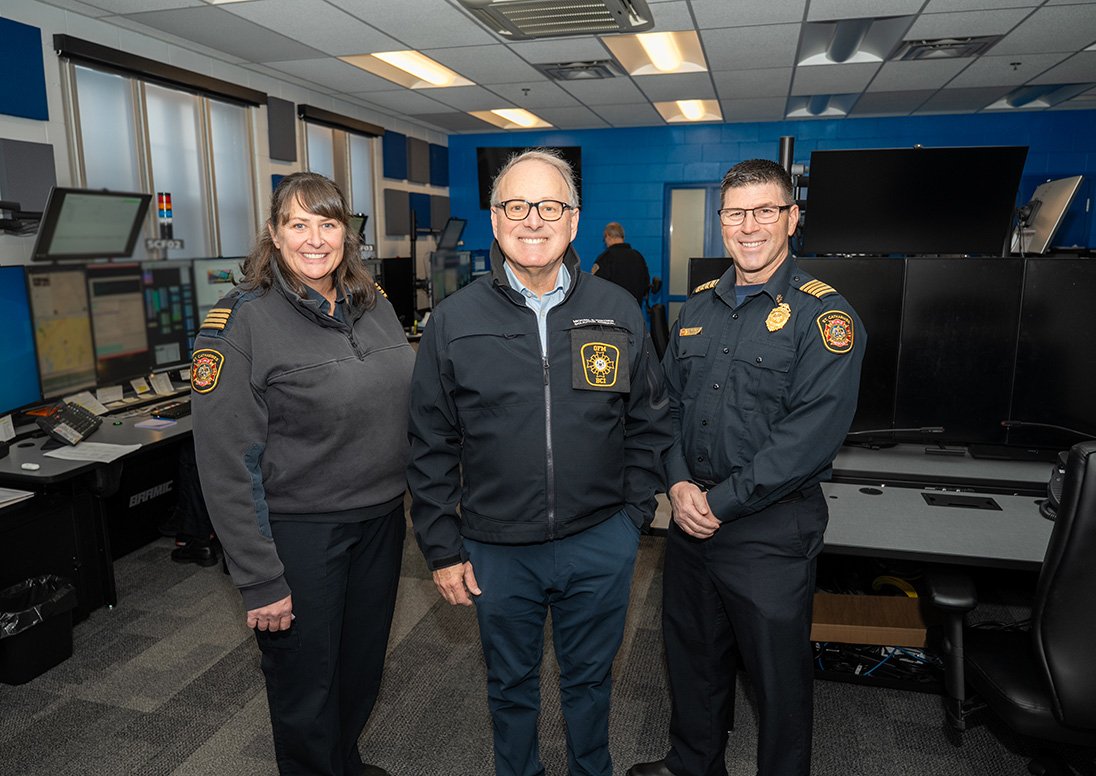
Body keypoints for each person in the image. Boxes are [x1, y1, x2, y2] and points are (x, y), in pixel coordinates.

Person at [407, 149, 671, 776]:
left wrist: (629, 517)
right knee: (511, 688)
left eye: (549, 206)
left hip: (598, 540)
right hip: (497, 547)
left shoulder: (618, 309)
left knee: (590, 684)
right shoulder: (453, 320)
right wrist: (442, 548)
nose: (533, 220)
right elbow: (429, 442)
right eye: (516, 207)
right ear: (496, 221)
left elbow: (652, 418)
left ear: (574, 221)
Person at [628, 159, 865, 776]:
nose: (749, 225)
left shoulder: (825, 317)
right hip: (689, 520)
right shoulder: (698, 308)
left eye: (765, 210)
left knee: (777, 680)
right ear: (722, 222)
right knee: (692, 655)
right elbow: (669, 406)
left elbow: (808, 437)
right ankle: (694, 762)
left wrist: (722, 502)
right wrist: (678, 484)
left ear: (792, 218)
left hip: (768, 530)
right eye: (736, 212)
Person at [191, 172, 414, 776]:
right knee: (305, 682)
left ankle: (344, 761)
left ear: (348, 233)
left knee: (360, 665)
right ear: (274, 233)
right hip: (301, 534)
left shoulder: (374, 306)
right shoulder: (243, 321)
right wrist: (260, 577)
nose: (315, 238)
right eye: (299, 224)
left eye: (329, 223)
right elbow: (225, 461)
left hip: (381, 521)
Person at [591, 221, 650, 304]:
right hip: (635, 312)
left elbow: (595, 286)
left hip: (612, 312)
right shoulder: (638, 257)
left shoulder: (605, 258)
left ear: (608, 236)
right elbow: (645, 286)